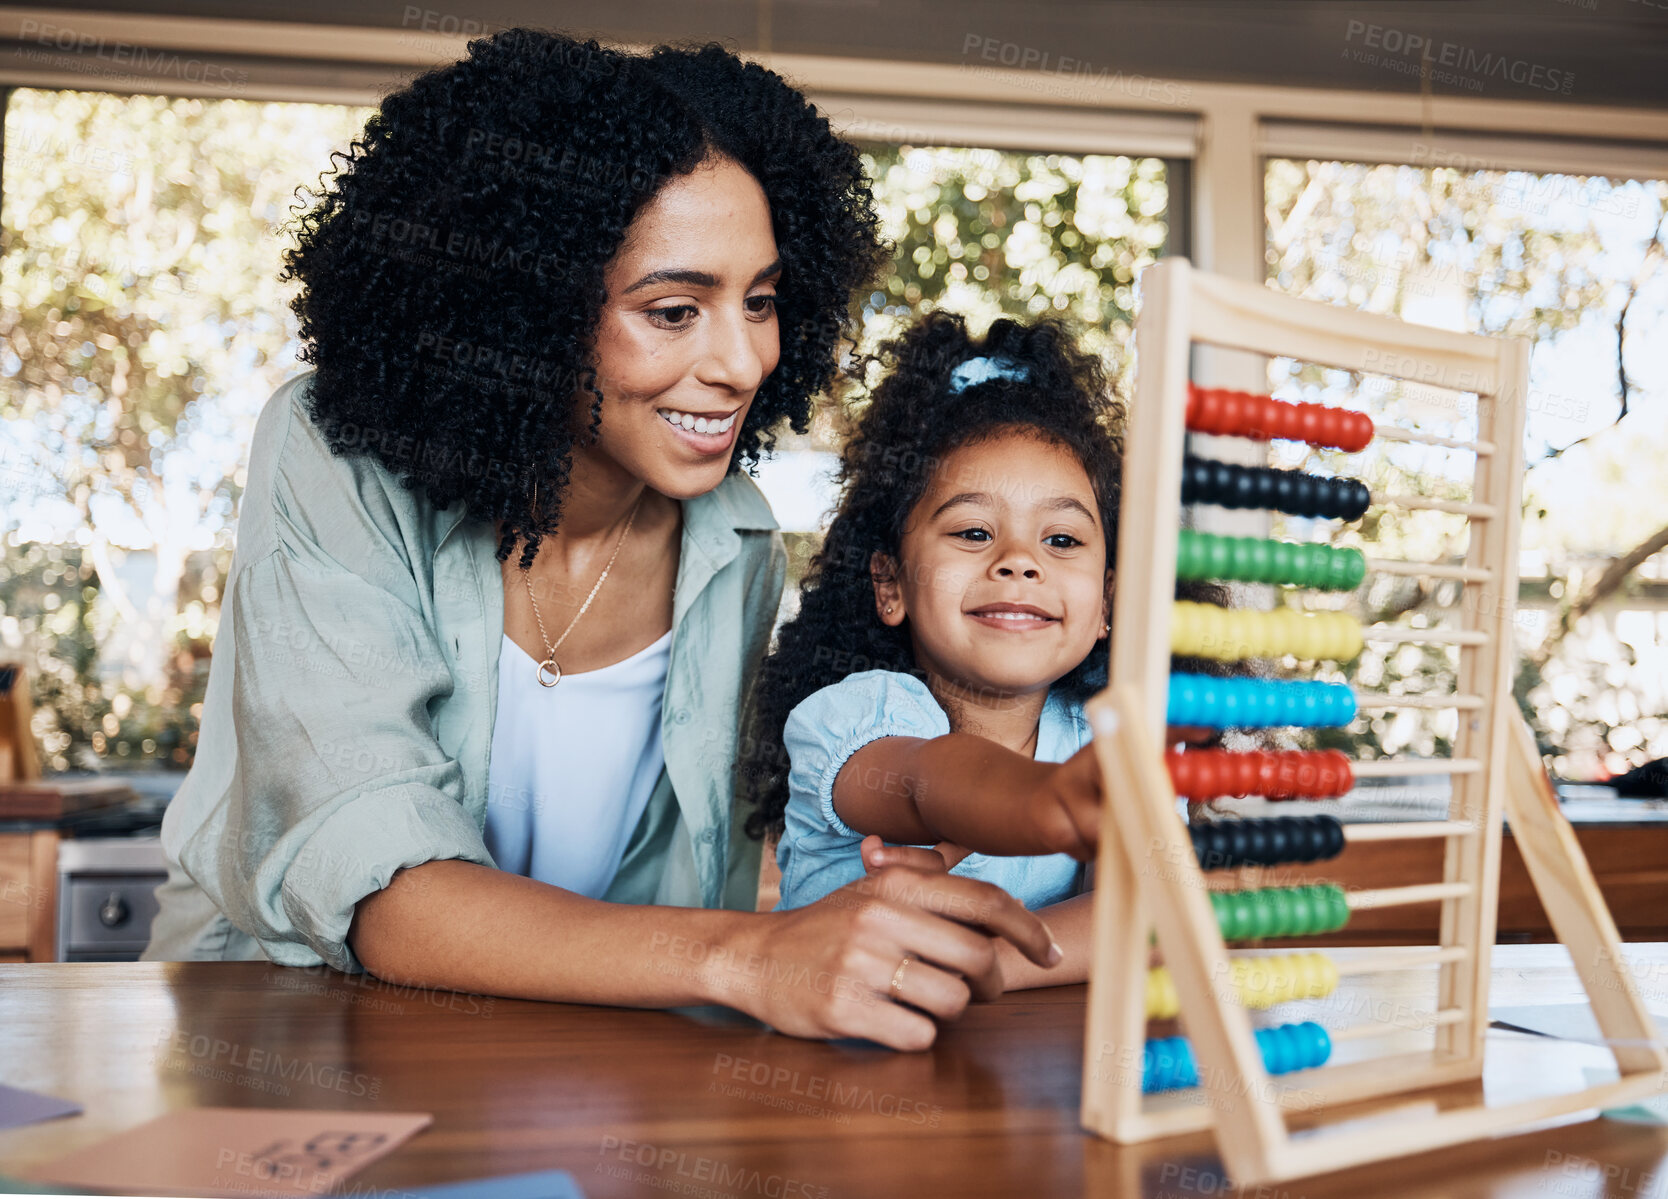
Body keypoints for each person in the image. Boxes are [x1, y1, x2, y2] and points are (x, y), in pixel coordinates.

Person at [144, 30, 1060, 1052]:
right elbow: (377, 875)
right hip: (292, 1045)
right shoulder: (338, 455)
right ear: (525, 314)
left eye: (759, 301)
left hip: (579, 1062)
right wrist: (751, 956)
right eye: (674, 309)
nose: (743, 359)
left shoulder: (737, 538)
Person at [741, 312, 1218, 988]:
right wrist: (1045, 800)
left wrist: (991, 959)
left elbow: (1147, 916)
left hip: (1026, 1078)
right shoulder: (852, 719)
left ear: (1109, 602)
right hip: (839, 1070)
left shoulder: (1100, 730)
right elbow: (926, 780)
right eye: (972, 531)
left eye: (1061, 540)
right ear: (891, 584)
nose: (1019, 561)